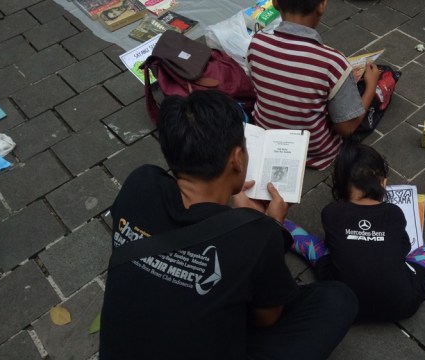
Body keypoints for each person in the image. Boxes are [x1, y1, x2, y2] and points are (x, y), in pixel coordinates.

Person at [99, 90, 358, 359]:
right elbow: (266, 319)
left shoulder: (139, 184)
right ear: (236, 159)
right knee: (337, 299)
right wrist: (271, 226)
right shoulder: (256, 234)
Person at [286, 141, 425, 321]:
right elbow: (404, 249)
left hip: (341, 303)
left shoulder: (331, 212)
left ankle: (275, 219)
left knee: (313, 246)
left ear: (340, 187)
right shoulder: (393, 213)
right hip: (401, 302)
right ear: (383, 184)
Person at [247, 0, 380, 170]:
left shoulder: (257, 43)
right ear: (322, 5)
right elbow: (347, 128)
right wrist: (372, 85)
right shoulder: (333, 62)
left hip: (267, 140)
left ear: (275, 3)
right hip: (314, 152)